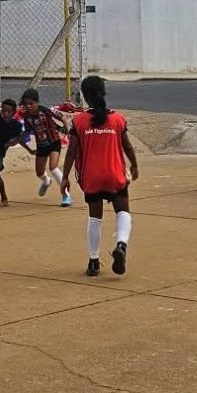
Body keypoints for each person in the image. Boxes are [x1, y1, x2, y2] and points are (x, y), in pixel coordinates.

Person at [62, 76, 140, 277]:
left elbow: (71, 152)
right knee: (123, 210)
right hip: (114, 175)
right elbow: (128, 146)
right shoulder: (117, 119)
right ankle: (121, 245)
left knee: (94, 217)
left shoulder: (78, 121)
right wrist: (135, 165)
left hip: (92, 177)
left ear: (85, 96)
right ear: (103, 93)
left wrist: (65, 177)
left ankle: (94, 262)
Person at [19, 88, 72, 207]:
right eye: (26, 104)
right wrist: (18, 140)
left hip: (54, 142)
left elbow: (62, 117)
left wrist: (66, 129)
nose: (28, 106)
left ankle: (66, 194)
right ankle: (46, 181)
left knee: (53, 167)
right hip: (41, 146)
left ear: (37, 102)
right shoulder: (27, 117)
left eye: (31, 103)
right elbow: (27, 132)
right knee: (39, 172)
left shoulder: (46, 110)